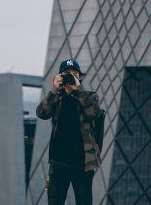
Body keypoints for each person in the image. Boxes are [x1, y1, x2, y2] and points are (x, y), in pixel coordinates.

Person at [36, 59, 102, 205]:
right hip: (58, 163)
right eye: (67, 74)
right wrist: (54, 90)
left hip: (82, 164)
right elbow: (41, 113)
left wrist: (79, 91)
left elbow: (95, 114)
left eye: (74, 74)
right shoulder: (56, 98)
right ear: (60, 76)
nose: (71, 76)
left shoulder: (89, 96)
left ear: (80, 77)